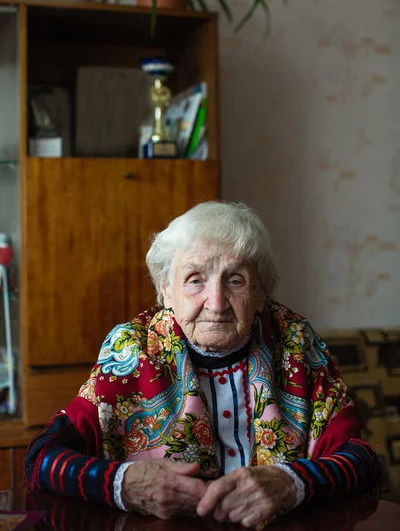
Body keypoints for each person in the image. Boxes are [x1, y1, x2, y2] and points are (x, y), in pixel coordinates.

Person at [25, 201, 379, 529]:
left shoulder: (295, 343)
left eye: (235, 280)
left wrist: (293, 482)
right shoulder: (131, 351)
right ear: (166, 289)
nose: (217, 302)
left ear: (260, 293)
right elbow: (42, 459)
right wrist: (124, 484)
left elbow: (361, 460)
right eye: (195, 279)